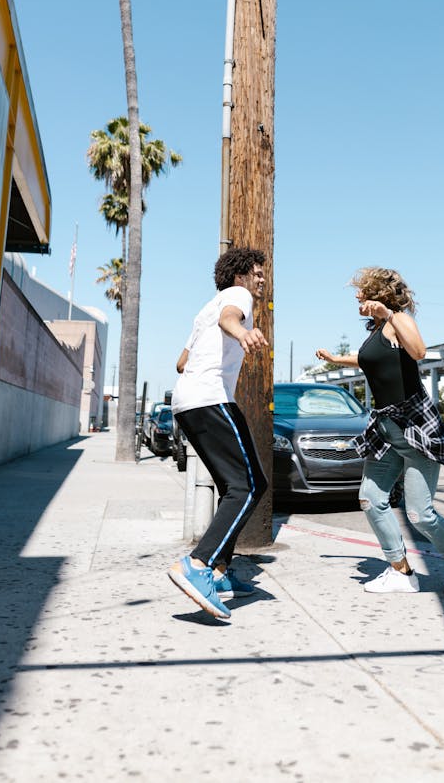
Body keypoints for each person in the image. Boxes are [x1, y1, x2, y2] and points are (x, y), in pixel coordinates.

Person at [316, 266, 444, 597]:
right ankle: (401, 571)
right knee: (370, 500)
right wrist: (334, 358)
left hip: (415, 427)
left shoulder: (399, 320)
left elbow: (418, 351)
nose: (357, 296)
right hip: (386, 429)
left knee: (420, 514)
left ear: (379, 293)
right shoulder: (378, 329)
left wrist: (389, 313)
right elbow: (367, 360)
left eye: (361, 290)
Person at [167, 246, 270, 619]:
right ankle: (197, 565)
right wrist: (241, 332)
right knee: (246, 486)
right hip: (210, 399)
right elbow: (231, 317)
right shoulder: (236, 297)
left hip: (188, 402)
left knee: (243, 485)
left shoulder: (204, 310)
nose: (261, 278)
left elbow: (181, 362)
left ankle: (221, 572)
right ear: (239, 274)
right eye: (257, 272)